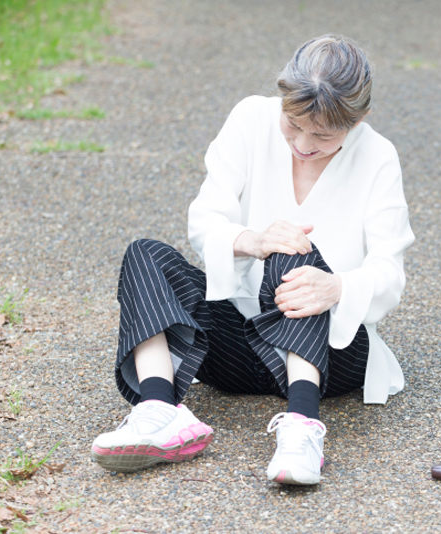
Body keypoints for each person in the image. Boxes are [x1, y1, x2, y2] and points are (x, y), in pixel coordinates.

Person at [90, 34, 415, 485]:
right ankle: (159, 411)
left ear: (358, 120)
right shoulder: (249, 118)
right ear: (282, 97)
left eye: (323, 135)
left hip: (332, 357)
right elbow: (206, 220)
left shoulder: (378, 157)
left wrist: (336, 287)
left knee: (295, 254)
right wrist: (253, 240)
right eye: (293, 124)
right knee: (145, 254)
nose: (303, 143)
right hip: (240, 350)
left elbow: (389, 274)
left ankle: (302, 432)